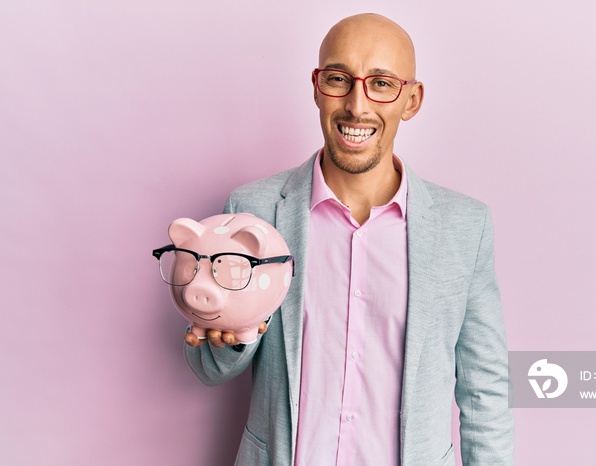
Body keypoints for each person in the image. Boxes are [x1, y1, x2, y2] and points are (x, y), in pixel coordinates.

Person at [184, 13, 514, 466]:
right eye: (339, 79)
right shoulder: (254, 210)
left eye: (381, 83)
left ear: (412, 100)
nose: (357, 106)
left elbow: (485, 388)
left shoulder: (465, 226)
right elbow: (209, 369)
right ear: (318, 87)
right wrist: (232, 335)